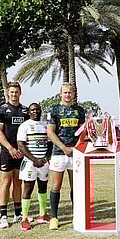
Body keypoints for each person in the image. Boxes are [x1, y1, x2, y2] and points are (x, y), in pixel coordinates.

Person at [47, 83, 85, 230]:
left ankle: (77, 216)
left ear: (74, 94)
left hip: (76, 153)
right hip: (58, 153)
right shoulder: (54, 109)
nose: (68, 95)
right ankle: (54, 217)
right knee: (56, 186)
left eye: (70, 92)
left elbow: (83, 132)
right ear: (60, 94)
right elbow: (50, 132)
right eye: (65, 92)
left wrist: (75, 148)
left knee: (75, 186)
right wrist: (64, 148)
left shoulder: (79, 110)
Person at [0, 81, 29, 229]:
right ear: (8, 93)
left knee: (18, 182)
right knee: (5, 182)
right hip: (7, 152)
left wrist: (23, 149)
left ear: (20, 93)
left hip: (22, 152)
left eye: (16, 92)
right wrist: (10, 148)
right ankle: (3, 215)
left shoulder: (26, 111)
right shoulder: (1, 110)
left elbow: (29, 131)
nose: (14, 94)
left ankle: (17, 213)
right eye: (12, 92)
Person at [17, 103, 53, 231]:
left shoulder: (45, 125)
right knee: (28, 188)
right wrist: (34, 160)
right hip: (30, 163)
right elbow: (21, 145)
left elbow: (50, 143)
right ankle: (25, 218)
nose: (36, 112)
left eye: (38, 110)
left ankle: (42, 215)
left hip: (43, 163)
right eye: (33, 110)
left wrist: (46, 158)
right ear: (29, 112)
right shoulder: (24, 125)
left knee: (43, 187)